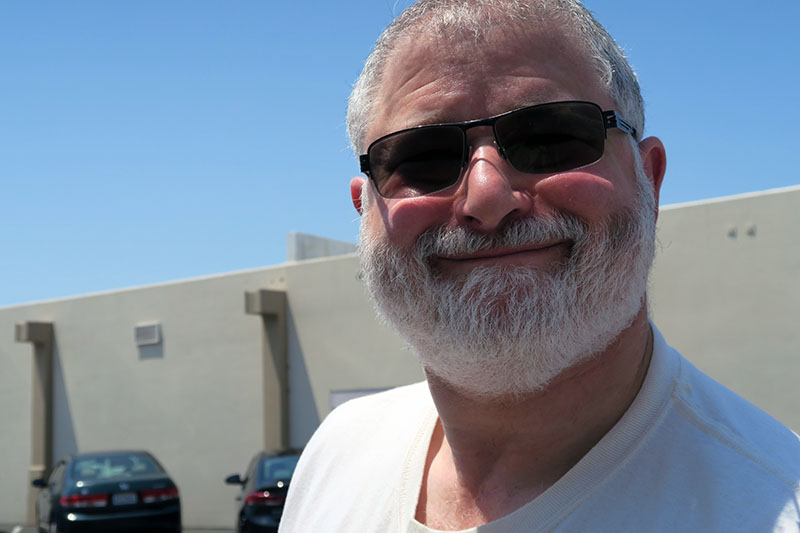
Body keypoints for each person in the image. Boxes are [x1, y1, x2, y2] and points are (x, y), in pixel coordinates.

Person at [280, 1, 800, 531]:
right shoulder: (336, 457)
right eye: (422, 157)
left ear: (651, 179)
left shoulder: (771, 503)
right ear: (364, 210)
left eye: (550, 139)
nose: (486, 196)